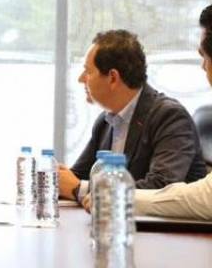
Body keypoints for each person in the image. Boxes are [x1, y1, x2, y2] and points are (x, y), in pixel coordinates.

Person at [59, 29, 206, 203]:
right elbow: (77, 177)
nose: (81, 79)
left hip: (167, 221)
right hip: (117, 219)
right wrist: (55, 178)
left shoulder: (170, 117)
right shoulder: (105, 122)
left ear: (113, 78)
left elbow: (161, 188)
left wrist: (81, 189)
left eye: (88, 71)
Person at [134, 4, 212, 219]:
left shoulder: (168, 114)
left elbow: (205, 199)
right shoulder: (105, 121)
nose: (203, 67)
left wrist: (118, 197)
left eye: (204, 57)